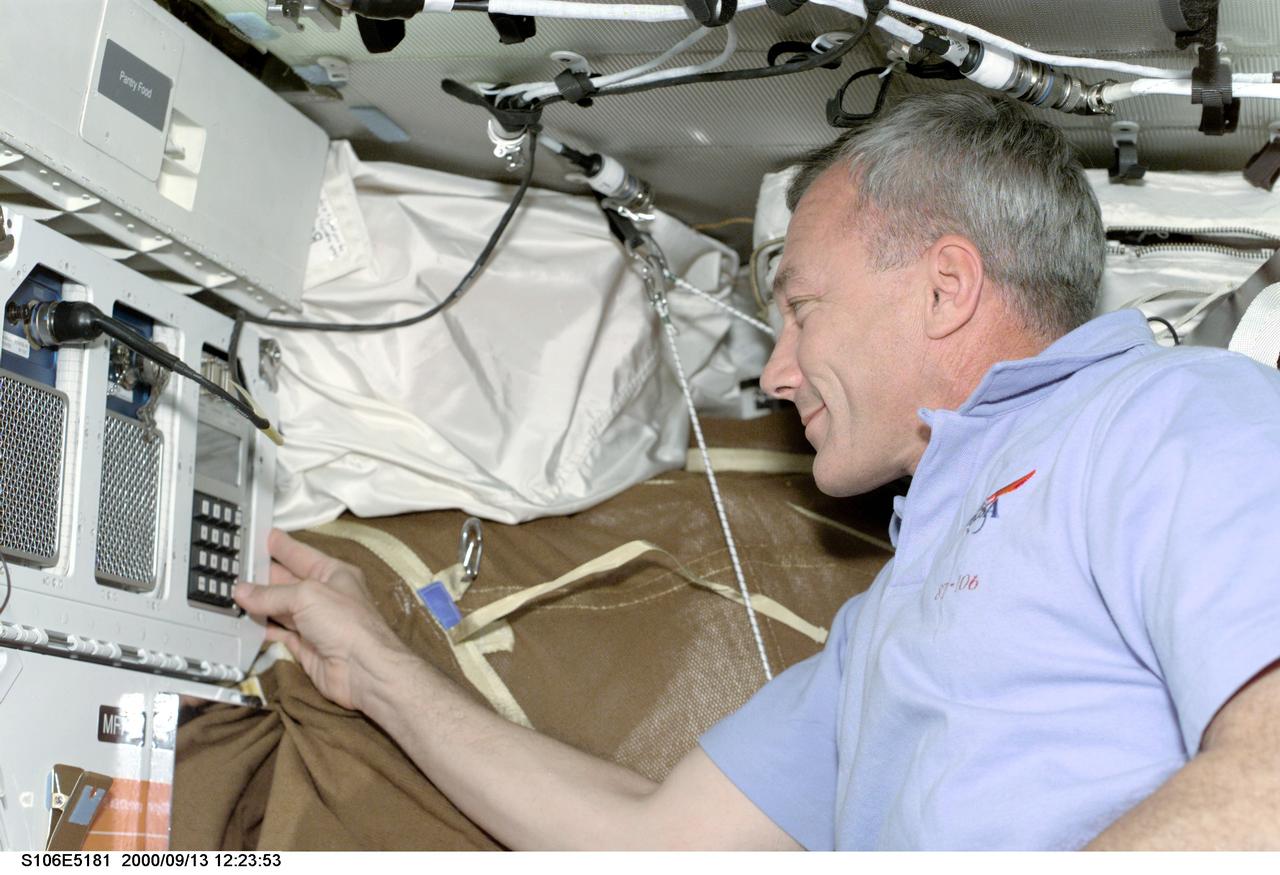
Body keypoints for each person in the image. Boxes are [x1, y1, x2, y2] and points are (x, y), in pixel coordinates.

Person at [234, 92, 1280, 850]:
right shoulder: (888, 621)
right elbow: (655, 839)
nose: (775, 371)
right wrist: (371, 663)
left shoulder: (1174, 413)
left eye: (800, 306)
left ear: (943, 286)